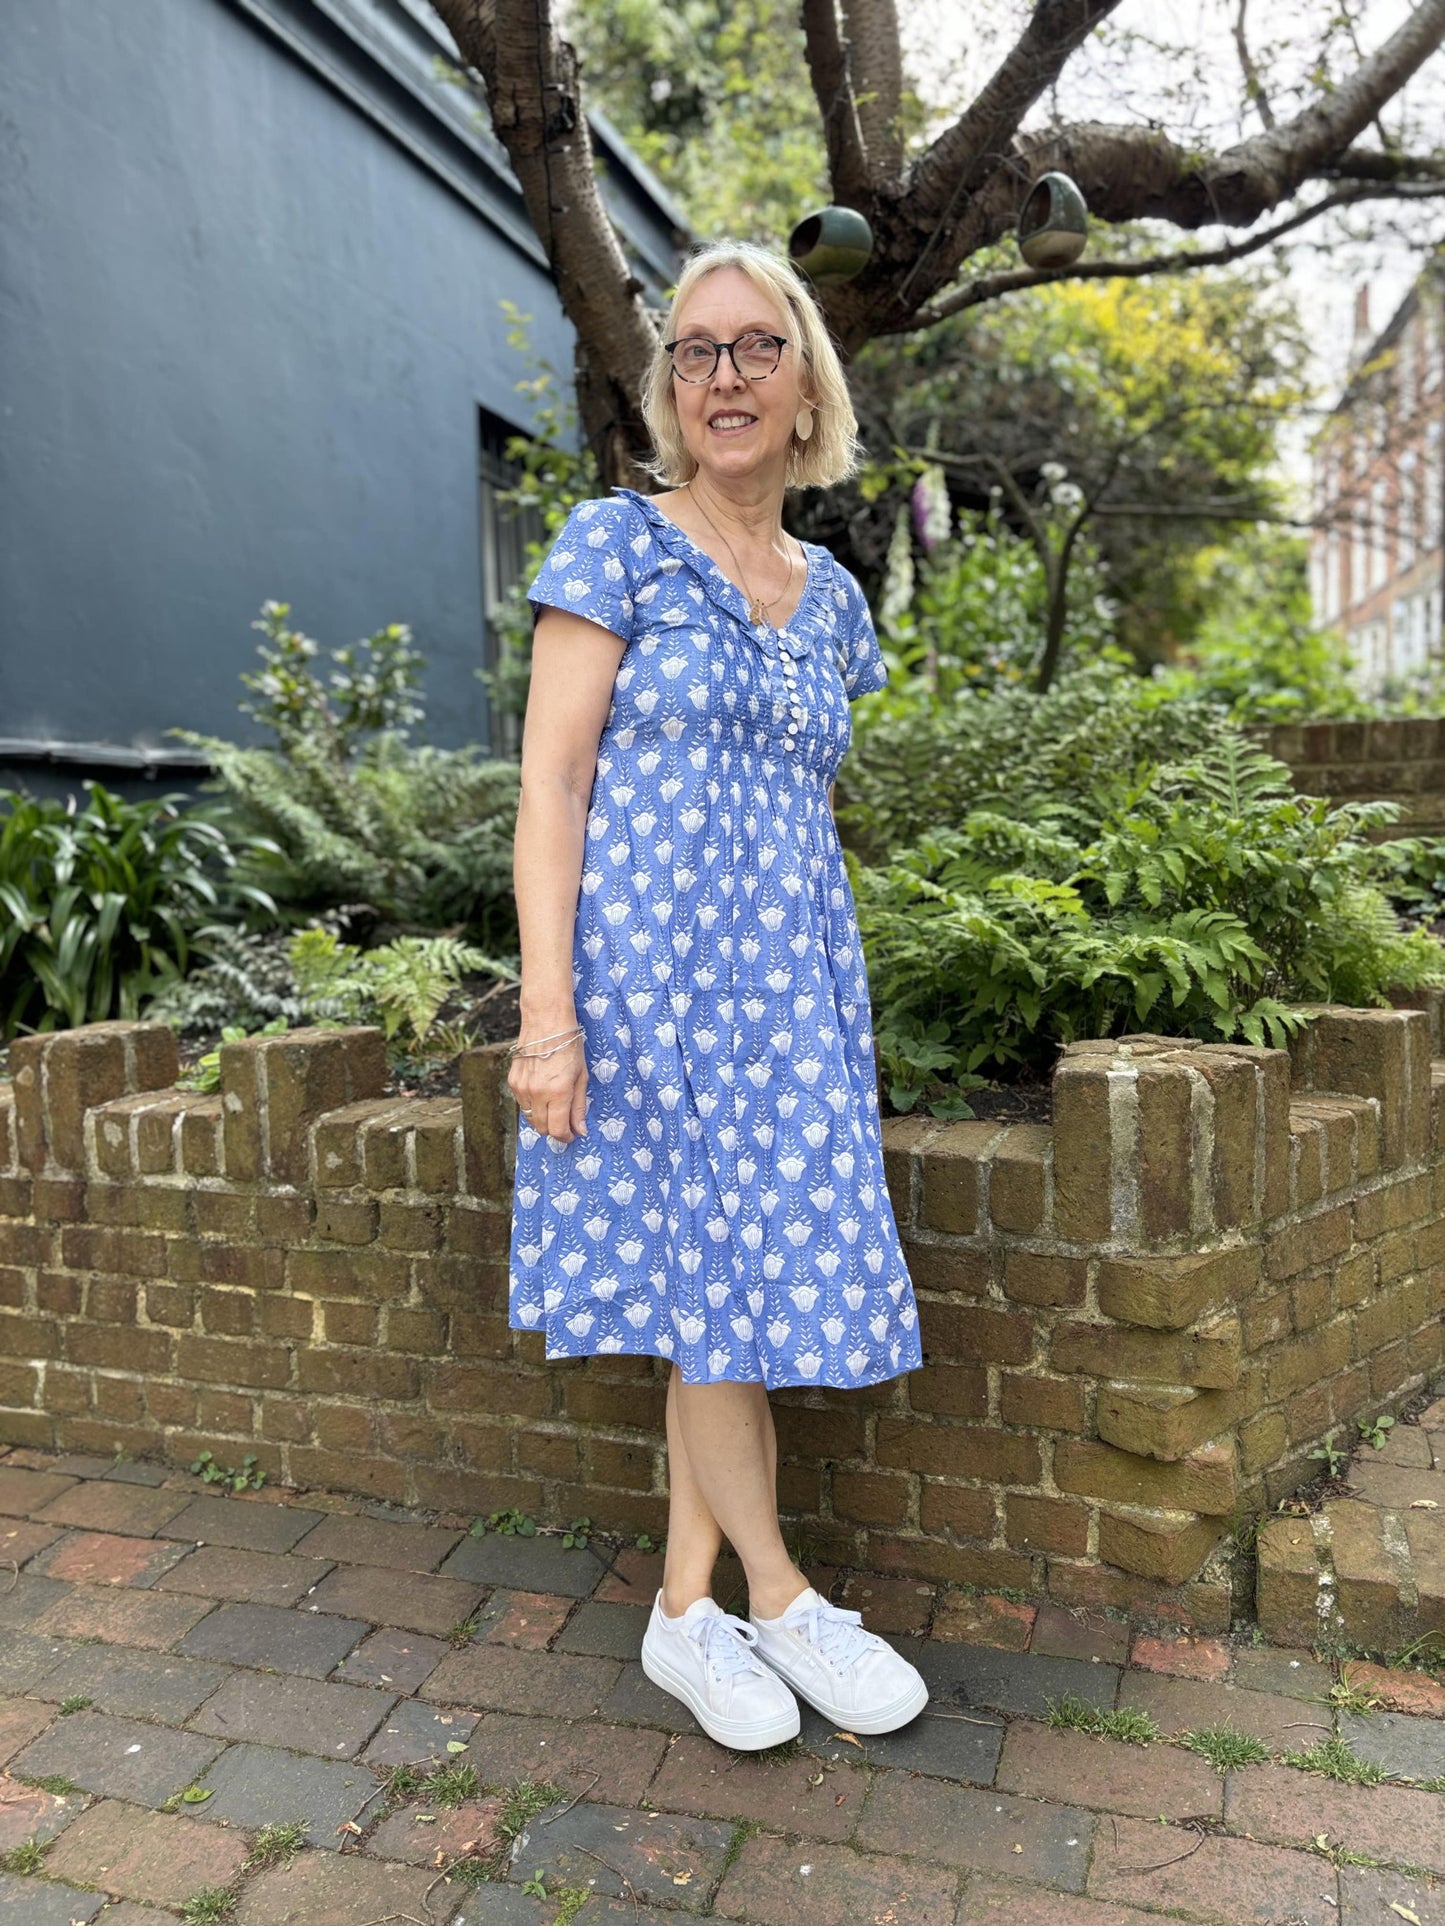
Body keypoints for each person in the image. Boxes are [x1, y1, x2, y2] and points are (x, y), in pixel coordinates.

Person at [506, 239, 927, 1750]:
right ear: (666, 387)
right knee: (712, 1281)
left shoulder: (831, 602)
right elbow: (551, 783)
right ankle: (781, 1583)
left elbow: (807, 812)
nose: (723, 377)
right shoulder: (613, 545)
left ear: (806, 378)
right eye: (694, 352)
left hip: (790, 987)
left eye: (755, 348)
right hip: (643, 986)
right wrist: (547, 1014)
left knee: (724, 1294)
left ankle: (687, 1613)